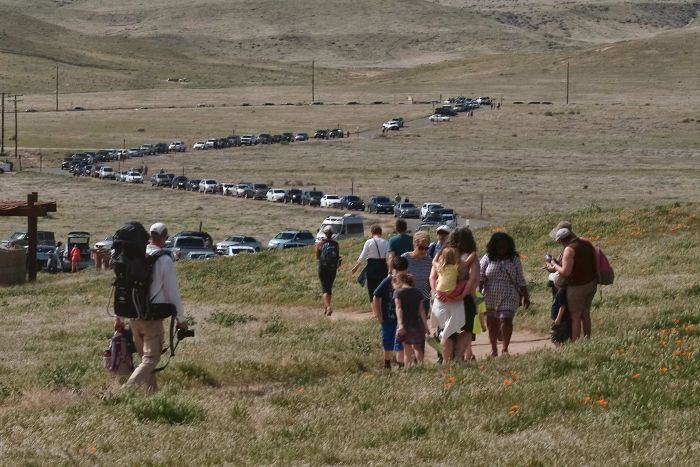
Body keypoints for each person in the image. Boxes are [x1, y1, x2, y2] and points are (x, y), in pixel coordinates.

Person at [124, 222, 188, 392]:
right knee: (151, 359)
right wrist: (181, 319)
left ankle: (152, 393)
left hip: (133, 316)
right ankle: (126, 392)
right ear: (165, 238)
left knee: (145, 359)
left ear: (149, 237)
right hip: (151, 318)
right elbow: (172, 292)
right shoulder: (164, 260)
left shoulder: (137, 255)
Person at [480, 232, 530, 357]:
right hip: (490, 295)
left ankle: (505, 349)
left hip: (509, 293)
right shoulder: (488, 258)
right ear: (494, 246)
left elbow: (520, 279)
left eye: (504, 246)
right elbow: (480, 275)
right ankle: (493, 349)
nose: (502, 249)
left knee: (506, 319)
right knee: (492, 323)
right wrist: (478, 294)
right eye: (499, 246)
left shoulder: (514, 259)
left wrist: (526, 296)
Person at [545, 227, 597, 341]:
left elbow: (566, 272)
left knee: (576, 316)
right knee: (586, 313)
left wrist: (554, 265)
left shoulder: (569, 249)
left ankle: (575, 343)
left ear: (561, 240)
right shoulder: (586, 242)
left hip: (577, 286)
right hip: (591, 283)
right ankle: (587, 339)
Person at [437, 227, 480, 361]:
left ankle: (446, 360)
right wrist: (464, 294)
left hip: (444, 299)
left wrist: (436, 292)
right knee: (467, 330)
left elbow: (433, 276)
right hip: (465, 298)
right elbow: (474, 280)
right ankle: (458, 357)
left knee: (446, 332)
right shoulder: (471, 258)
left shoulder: (445, 255)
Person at [372, 256, 408, 369]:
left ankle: (401, 364)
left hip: (401, 319)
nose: (400, 274)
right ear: (394, 270)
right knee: (387, 341)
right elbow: (376, 296)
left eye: (403, 271)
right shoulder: (388, 280)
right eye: (398, 271)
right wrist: (378, 315)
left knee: (400, 341)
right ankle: (387, 363)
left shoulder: (407, 281)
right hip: (387, 317)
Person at [394, 272, 429, 367]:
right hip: (415, 324)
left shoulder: (398, 292)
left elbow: (399, 308)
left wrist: (400, 324)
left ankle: (408, 368)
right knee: (417, 347)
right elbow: (421, 310)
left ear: (400, 281)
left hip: (404, 324)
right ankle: (422, 366)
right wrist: (426, 326)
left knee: (407, 349)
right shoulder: (418, 292)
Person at [352, 224, 389, 303]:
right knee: (382, 289)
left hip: (371, 268)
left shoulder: (369, 242)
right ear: (381, 232)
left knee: (372, 290)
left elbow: (363, 256)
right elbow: (388, 258)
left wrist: (356, 267)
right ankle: (381, 308)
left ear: (372, 232)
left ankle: (375, 311)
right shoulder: (386, 242)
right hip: (382, 268)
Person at [401, 231, 433, 318]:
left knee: (421, 328)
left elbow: (430, 280)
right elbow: (397, 279)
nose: (424, 251)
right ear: (415, 245)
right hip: (407, 298)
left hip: (424, 298)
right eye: (421, 248)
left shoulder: (429, 260)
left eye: (426, 248)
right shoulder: (404, 258)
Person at [316, 225, 340, 316]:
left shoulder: (320, 244)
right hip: (332, 268)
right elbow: (337, 256)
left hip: (323, 268)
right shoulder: (336, 244)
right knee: (329, 288)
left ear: (325, 233)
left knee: (324, 288)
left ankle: (328, 307)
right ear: (332, 233)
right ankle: (326, 308)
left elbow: (317, 257)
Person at [549, 272, 570, 346]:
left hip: (559, 319)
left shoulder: (560, 293)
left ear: (556, 283)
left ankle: (560, 348)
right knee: (561, 336)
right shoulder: (563, 291)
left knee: (554, 336)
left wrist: (558, 318)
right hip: (562, 319)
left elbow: (562, 306)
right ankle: (562, 347)